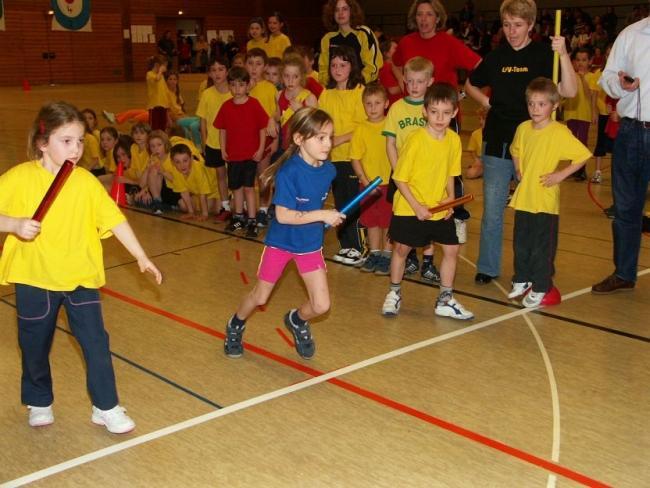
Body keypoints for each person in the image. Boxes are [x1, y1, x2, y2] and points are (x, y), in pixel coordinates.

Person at [0, 101, 162, 432]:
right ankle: (39, 400)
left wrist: (141, 256)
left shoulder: (85, 181)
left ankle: (106, 406)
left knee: (95, 343)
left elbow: (114, 220)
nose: (76, 149)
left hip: (80, 278)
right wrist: (14, 224)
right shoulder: (18, 178)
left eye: (79, 141)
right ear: (43, 143)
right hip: (35, 277)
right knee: (34, 344)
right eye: (67, 141)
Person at [464, 0, 577, 284]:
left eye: (517, 25)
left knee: (534, 214)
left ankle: (533, 270)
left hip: (534, 149)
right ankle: (488, 268)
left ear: (530, 26)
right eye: (506, 25)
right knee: (492, 212)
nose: (511, 31)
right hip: (498, 143)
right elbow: (470, 84)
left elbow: (570, 90)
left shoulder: (544, 55)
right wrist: (487, 102)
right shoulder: (495, 57)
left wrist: (562, 54)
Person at [223, 107, 343, 360]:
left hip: (309, 244)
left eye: (330, 137)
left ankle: (297, 320)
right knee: (260, 296)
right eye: (320, 138)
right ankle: (236, 323)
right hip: (281, 243)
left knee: (322, 305)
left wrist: (328, 216)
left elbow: (312, 204)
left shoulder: (329, 170)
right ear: (299, 139)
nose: (328, 143)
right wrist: (323, 215)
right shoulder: (289, 172)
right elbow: (284, 215)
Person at [381, 83, 473, 320]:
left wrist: (450, 201)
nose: (439, 118)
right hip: (410, 205)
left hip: (438, 206)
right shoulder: (415, 140)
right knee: (401, 249)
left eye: (445, 112)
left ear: (454, 112)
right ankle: (394, 293)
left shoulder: (454, 140)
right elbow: (399, 178)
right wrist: (417, 207)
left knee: (452, 249)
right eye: (434, 112)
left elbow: (452, 173)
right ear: (425, 112)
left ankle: (445, 299)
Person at [508, 77, 591, 307]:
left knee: (542, 248)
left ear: (554, 106)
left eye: (542, 104)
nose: (536, 109)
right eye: (532, 104)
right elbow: (515, 149)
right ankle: (522, 278)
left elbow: (583, 155)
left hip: (544, 201)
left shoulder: (559, 132)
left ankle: (542, 285)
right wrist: (517, 167)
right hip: (524, 199)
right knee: (521, 244)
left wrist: (560, 175)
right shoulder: (523, 128)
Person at [591, 13, 650, 294]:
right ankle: (624, 273)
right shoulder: (631, 34)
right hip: (630, 132)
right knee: (626, 207)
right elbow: (607, 78)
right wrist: (620, 83)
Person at [382, 56, 439, 282]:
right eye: (410, 81)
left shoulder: (433, 109)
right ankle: (411, 258)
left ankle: (428, 261)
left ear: (430, 82)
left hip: (427, 175)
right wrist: (398, 172)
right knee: (404, 217)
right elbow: (390, 143)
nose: (414, 86)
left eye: (419, 81)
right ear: (404, 80)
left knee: (429, 214)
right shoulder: (397, 108)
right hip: (402, 175)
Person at [318, 45, 366, 266]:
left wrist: (338, 139)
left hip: (352, 157)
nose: (337, 69)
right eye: (334, 65)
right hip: (331, 158)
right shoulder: (326, 94)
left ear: (352, 66)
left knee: (351, 202)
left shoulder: (359, 92)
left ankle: (358, 247)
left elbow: (363, 126)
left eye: (343, 65)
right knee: (338, 201)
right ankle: (345, 245)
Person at [214, 66, 269, 237]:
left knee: (249, 188)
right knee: (236, 188)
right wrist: (223, 150)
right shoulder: (226, 107)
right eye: (233, 85)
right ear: (229, 86)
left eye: (240, 85)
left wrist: (260, 149)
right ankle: (238, 217)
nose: (237, 89)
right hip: (233, 156)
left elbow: (262, 128)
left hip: (250, 155)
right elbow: (222, 130)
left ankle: (252, 219)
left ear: (247, 86)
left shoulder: (254, 104)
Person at [350, 83, 393, 275]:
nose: (373, 107)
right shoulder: (361, 129)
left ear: (386, 103)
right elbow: (355, 158)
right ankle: (375, 254)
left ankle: (387, 256)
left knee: (388, 222)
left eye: (377, 103)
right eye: (369, 103)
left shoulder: (391, 126)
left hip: (389, 185)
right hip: (367, 186)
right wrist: (365, 181)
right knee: (372, 222)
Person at [246, 48, 280, 229]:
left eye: (258, 64)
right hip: (245, 138)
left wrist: (274, 139)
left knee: (263, 176)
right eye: (250, 63)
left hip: (264, 138)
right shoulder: (241, 87)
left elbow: (277, 114)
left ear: (265, 67)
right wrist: (246, 91)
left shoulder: (270, 87)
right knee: (246, 177)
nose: (253, 68)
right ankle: (247, 208)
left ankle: (263, 209)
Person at [196, 57, 233, 222]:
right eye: (213, 70)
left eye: (221, 69)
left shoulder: (234, 92)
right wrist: (204, 143)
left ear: (227, 71)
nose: (217, 73)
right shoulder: (206, 94)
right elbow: (202, 121)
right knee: (220, 175)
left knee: (234, 176)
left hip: (234, 143)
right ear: (209, 73)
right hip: (213, 142)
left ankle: (238, 207)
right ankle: (225, 206)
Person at [319, 0, 383, 85]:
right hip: (336, 90)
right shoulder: (327, 39)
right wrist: (332, 85)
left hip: (363, 88)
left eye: (344, 9)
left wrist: (356, 84)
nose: (340, 13)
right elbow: (323, 69)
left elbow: (373, 66)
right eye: (336, 10)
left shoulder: (364, 33)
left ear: (352, 11)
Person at [562, 47, 593, 181]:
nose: (580, 63)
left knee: (582, 142)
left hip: (584, 114)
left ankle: (581, 170)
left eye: (584, 60)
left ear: (590, 61)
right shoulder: (570, 75)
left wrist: (582, 78)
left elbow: (589, 94)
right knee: (571, 142)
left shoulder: (591, 76)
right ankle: (572, 169)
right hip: (571, 112)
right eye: (578, 60)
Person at [170, 143, 220, 221]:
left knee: (218, 210)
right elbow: (183, 192)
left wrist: (204, 214)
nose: (182, 165)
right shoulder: (176, 171)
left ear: (191, 158)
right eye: (178, 162)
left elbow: (203, 194)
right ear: (173, 162)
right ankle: (203, 207)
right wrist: (191, 212)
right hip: (199, 194)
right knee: (182, 205)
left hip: (216, 190)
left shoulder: (198, 169)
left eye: (185, 161)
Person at [164, 70, 201, 147]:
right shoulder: (165, 93)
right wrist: (170, 121)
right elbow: (166, 111)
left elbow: (182, 109)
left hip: (182, 118)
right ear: (166, 81)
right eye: (170, 79)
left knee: (188, 129)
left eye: (174, 79)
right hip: (176, 119)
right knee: (198, 120)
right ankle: (198, 145)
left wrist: (185, 116)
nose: (172, 81)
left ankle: (192, 146)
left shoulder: (177, 92)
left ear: (177, 81)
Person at [466, 107, 486, 179]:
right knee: (470, 174)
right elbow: (472, 150)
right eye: (479, 119)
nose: (481, 122)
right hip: (481, 160)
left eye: (483, 119)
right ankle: (482, 171)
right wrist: (477, 160)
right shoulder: (475, 134)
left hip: (493, 161)